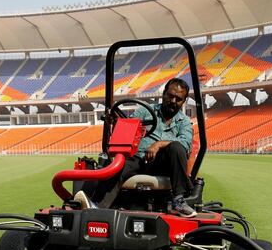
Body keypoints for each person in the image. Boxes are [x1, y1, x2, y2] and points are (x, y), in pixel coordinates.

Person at [76, 78, 196, 217]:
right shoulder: (145, 111)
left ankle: (178, 200)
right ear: (163, 94)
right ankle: (97, 207)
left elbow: (186, 144)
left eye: (179, 99)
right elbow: (128, 127)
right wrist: (116, 123)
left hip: (163, 164)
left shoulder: (184, 122)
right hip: (138, 158)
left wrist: (158, 144)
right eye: (170, 96)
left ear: (183, 101)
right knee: (117, 164)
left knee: (177, 147)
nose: (174, 101)